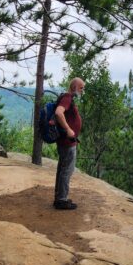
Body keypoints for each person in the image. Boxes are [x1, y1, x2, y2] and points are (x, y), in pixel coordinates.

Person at [51, 77, 85, 210]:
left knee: (62, 169)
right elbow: (59, 113)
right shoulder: (67, 98)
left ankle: (59, 197)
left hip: (65, 141)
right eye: (81, 88)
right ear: (74, 87)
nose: (83, 91)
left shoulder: (67, 98)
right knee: (67, 170)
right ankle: (61, 200)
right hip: (67, 142)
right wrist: (68, 129)